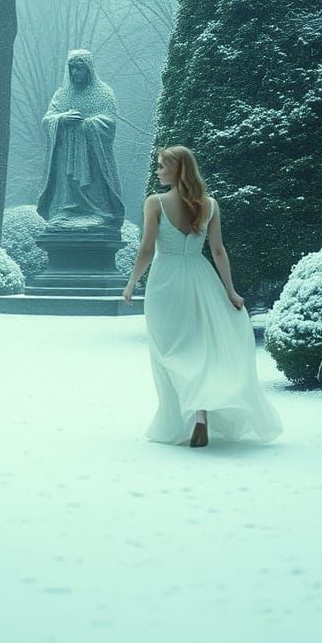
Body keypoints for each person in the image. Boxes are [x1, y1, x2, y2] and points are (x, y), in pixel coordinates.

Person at [123, 145, 283, 448]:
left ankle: (180, 417)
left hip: (165, 283)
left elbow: (146, 249)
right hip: (201, 278)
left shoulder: (155, 202)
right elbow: (219, 251)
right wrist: (230, 291)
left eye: (161, 166)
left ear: (177, 169)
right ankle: (200, 414)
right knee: (200, 347)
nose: (157, 171)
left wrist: (132, 282)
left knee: (170, 352)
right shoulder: (209, 204)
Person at [36, 49, 125, 230]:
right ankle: (67, 210)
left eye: (80, 68)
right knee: (68, 186)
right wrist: (61, 119)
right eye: (72, 68)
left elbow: (109, 122)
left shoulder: (104, 93)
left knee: (94, 185)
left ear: (89, 69)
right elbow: (47, 119)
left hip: (93, 155)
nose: (76, 72)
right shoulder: (61, 95)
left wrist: (88, 126)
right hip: (66, 154)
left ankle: (99, 212)